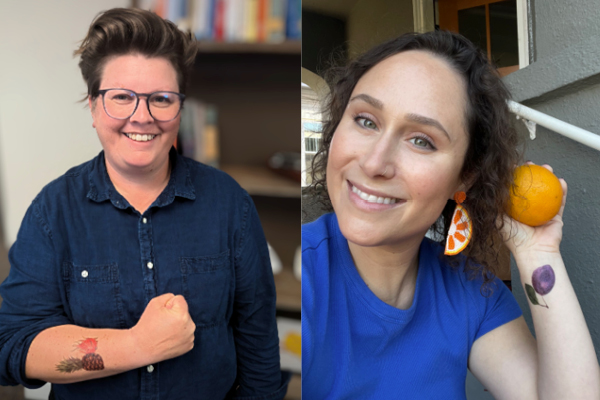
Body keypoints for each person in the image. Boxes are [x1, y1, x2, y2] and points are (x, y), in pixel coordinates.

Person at [0, 8, 287, 400]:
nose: (142, 117)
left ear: (180, 108)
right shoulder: (52, 211)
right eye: (121, 98)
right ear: (93, 106)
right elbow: (14, 344)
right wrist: (138, 346)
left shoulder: (229, 204)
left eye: (161, 99)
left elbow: (260, 358)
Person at [302, 31, 600, 399]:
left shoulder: (470, 293)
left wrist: (539, 254)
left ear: (465, 177)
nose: (374, 162)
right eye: (366, 120)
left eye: (422, 141)